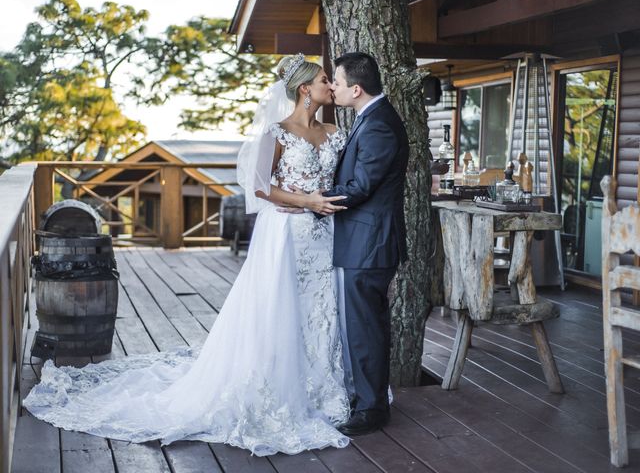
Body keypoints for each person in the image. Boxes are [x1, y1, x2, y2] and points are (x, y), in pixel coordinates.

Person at [24, 54, 353, 456]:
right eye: (324, 80)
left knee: (321, 310)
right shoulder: (278, 132)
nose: (330, 86)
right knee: (281, 309)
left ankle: (325, 388)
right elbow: (260, 188)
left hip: (326, 236)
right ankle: (281, 388)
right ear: (305, 89)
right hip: (287, 233)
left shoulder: (337, 130)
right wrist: (306, 200)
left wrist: (324, 204)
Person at [304, 52, 410, 436]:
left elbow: (362, 187)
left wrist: (316, 203)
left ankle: (371, 409)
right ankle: (366, 398)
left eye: (337, 80)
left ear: (356, 88)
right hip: (366, 241)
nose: (332, 86)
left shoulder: (379, 125)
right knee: (365, 324)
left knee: (365, 327)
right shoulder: (371, 118)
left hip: (370, 243)